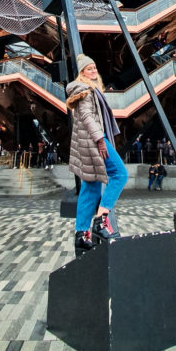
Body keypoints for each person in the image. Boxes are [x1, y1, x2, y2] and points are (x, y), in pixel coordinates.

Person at [66, 54, 127, 257]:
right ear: (82, 73)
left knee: (90, 186)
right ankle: (102, 219)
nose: (93, 71)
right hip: (94, 141)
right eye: (88, 68)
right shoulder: (83, 90)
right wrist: (100, 139)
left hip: (86, 141)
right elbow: (86, 116)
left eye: (94, 68)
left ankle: (82, 235)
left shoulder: (90, 89)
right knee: (119, 174)